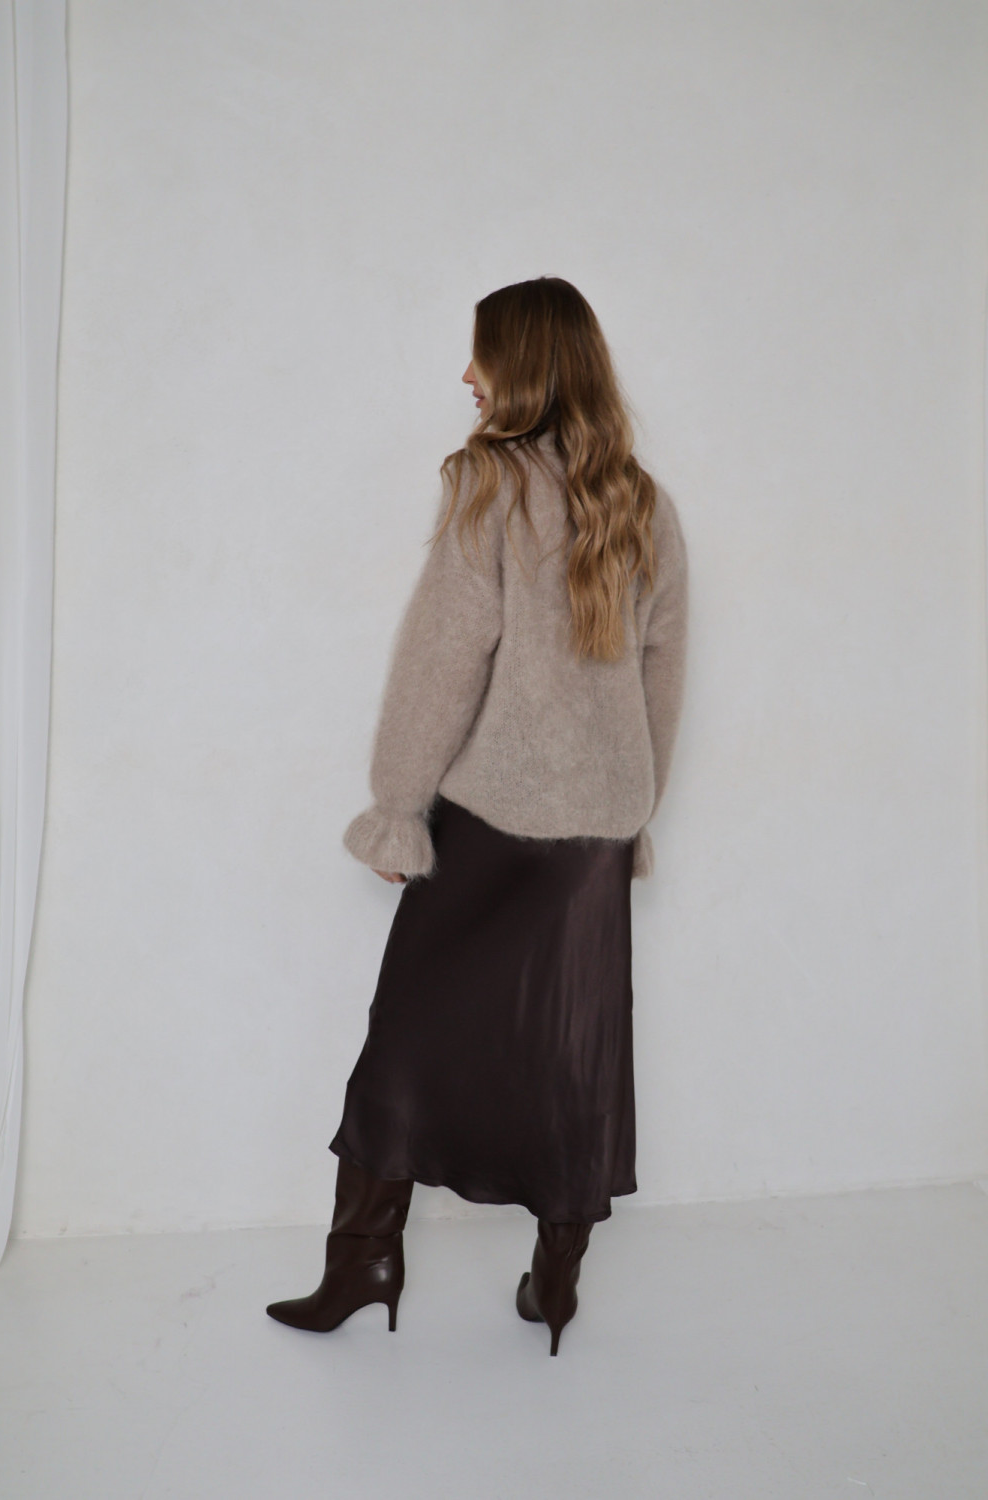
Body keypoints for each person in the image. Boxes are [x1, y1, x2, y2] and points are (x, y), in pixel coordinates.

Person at [266, 276, 688, 1355]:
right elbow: (662, 672)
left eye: (481, 355)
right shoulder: (642, 501)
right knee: (574, 1052)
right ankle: (557, 1282)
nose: (467, 375)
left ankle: (363, 1261)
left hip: (495, 819)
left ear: (525, 365)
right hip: (595, 830)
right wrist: (632, 806)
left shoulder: (489, 482)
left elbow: (443, 657)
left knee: (406, 1041)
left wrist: (397, 808)